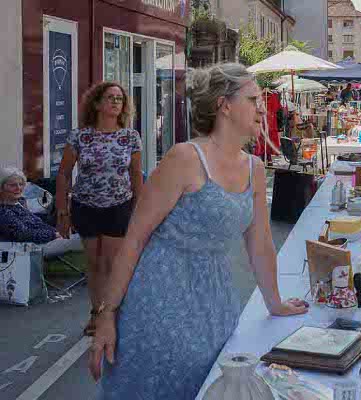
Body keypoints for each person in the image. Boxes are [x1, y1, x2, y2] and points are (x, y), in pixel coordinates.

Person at [88, 63, 308, 399]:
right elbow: (135, 239)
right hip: (159, 298)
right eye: (253, 99)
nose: (262, 108)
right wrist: (107, 315)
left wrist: (274, 302)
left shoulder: (255, 168)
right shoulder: (184, 158)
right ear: (225, 105)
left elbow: (260, 242)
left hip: (215, 300)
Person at [56, 82, 143, 336]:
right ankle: (96, 313)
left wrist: (139, 209)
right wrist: (62, 211)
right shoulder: (80, 136)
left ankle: (111, 313)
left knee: (112, 264)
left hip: (119, 206)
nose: (116, 102)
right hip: (86, 206)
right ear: (96, 103)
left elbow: (136, 175)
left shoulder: (129, 137)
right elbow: (63, 173)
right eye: (110, 98)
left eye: (119, 99)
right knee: (94, 263)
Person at [0, 167, 60, 244]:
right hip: (30, 249)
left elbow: (34, 221)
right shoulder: (3, 211)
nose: (18, 188)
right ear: (1, 187)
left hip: (49, 238)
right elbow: (23, 234)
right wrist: (54, 235)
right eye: (13, 185)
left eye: (21, 184)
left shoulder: (19, 202)